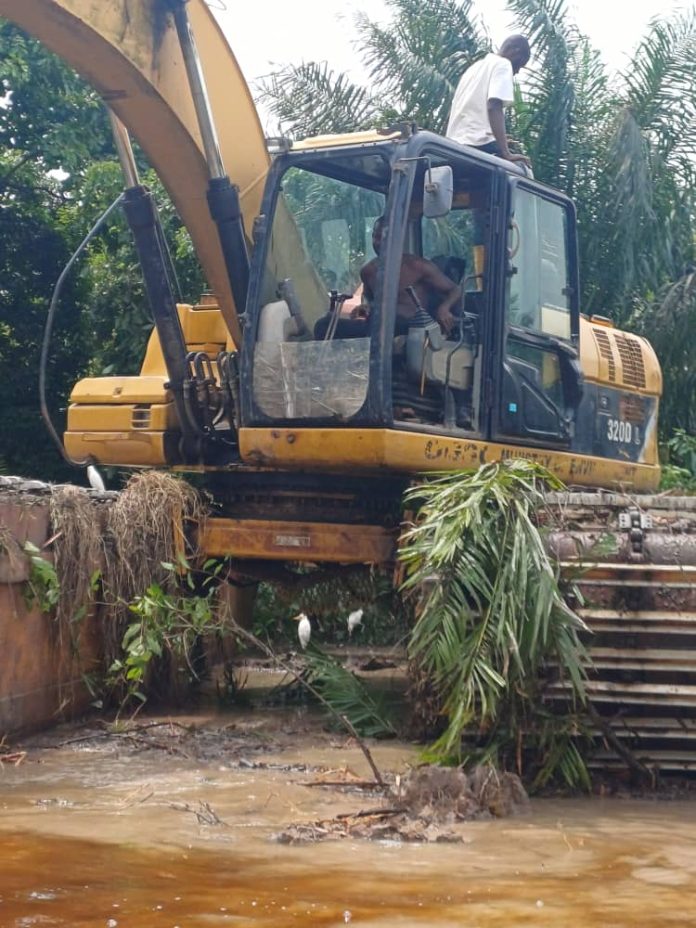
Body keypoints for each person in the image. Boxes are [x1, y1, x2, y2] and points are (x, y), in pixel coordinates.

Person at [358, 216, 462, 335]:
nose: (379, 242)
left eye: (385, 238)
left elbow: (455, 290)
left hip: (413, 332)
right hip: (379, 333)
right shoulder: (368, 271)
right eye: (376, 237)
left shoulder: (418, 266)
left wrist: (444, 308)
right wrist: (364, 305)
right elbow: (367, 295)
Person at [446, 35, 531, 165]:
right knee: (520, 163)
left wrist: (499, 138)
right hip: (477, 144)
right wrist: (506, 153)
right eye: (520, 63)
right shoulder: (503, 64)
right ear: (515, 50)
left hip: (454, 145)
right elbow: (493, 106)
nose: (518, 71)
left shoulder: (474, 69)